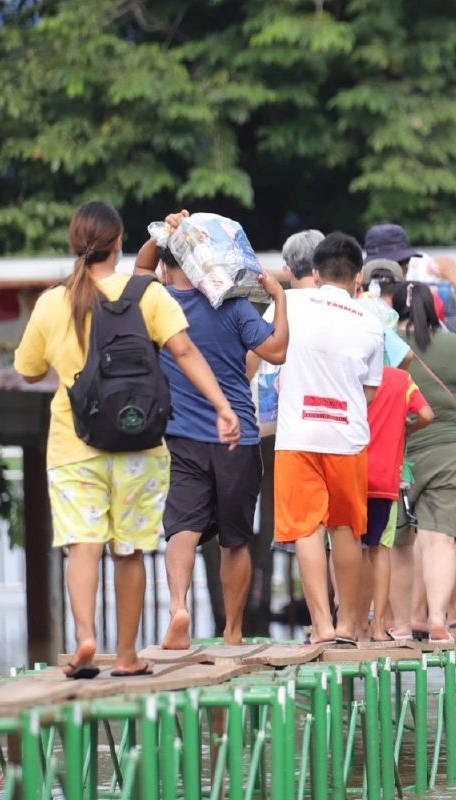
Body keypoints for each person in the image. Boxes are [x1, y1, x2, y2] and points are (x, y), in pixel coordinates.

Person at [14, 200, 240, 679]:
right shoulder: (149, 293)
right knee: (129, 550)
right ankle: (126, 656)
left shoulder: (55, 302)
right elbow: (185, 352)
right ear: (118, 244)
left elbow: (28, 370)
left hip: (75, 446)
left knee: (83, 544)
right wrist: (223, 409)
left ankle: (84, 638)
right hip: (140, 445)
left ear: (77, 244)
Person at [130, 212, 289, 650]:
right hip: (237, 438)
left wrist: (164, 233)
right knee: (235, 540)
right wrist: (280, 299)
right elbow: (276, 351)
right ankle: (233, 631)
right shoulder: (233, 304)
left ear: (168, 265)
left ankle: (179, 606)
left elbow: (141, 268)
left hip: (181, 437)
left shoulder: (157, 302)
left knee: (180, 527)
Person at [272, 232, 384, 645]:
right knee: (345, 530)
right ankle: (349, 625)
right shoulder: (370, 325)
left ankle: (320, 626)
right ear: (358, 279)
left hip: (297, 435)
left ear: (314, 273)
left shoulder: (292, 303)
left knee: (305, 529)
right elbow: (370, 391)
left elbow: (268, 348)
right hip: (347, 438)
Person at [390, 282, 456, 643]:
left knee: (399, 543)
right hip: (449, 447)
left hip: (401, 449)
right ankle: (436, 622)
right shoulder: (454, 344)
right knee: (440, 541)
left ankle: (401, 624)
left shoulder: (386, 341)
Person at [351, 365, 434, 641]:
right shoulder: (402, 379)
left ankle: (354, 624)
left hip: (350, 472)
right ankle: (378, 628)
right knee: (380, 551)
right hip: (386, 479)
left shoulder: (351, 371)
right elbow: (426, 414)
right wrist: (409, 427)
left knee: (352, 548)